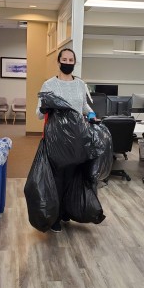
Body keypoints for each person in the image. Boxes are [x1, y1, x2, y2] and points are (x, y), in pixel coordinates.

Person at [36, 48, 96, 232]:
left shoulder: (80, 84)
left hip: (77, 137)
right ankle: (54, 216)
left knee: (72, 176)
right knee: (57, 178)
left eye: (71, 60)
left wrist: (91, 114)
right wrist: (45, 108)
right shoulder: (49, 85)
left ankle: (65, 211)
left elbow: (83, 106)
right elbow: (38, 113)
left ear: (74, 62)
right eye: (65, 59)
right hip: (57, 138)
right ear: (58, 61)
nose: (68, 62)